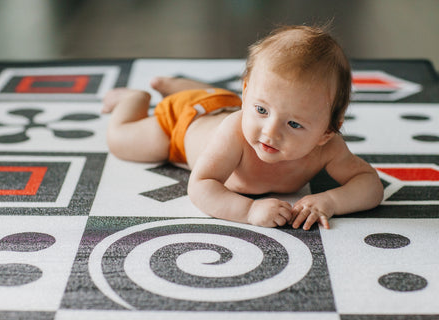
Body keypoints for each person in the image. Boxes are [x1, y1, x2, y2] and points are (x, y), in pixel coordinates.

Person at [102, 25, 384, 230]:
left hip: (223, 102)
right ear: (247, 92)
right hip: (181, 125)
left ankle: (176, 86)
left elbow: (370, 184)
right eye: (262, 110)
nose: (270, 132)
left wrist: (332, 200)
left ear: (326, 132)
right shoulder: (234, 132)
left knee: (226, 103)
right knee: (122, 141)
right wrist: (249, 210)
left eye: (294, 123)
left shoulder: (329, 147)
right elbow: (201, 185)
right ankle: (134, 98)